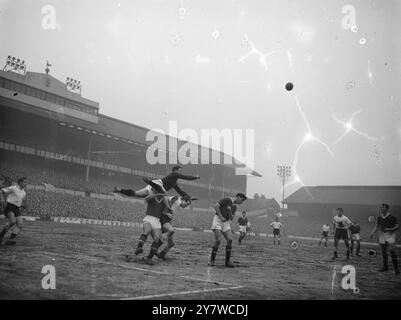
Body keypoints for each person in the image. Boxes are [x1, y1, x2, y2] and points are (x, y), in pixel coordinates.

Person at [125, 191, 167, 265]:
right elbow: (146, 198)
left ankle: (149, 258)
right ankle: (139, 247)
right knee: (147, 230)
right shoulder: (152, 198)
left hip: (157, 221)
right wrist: (157, 194)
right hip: (148, 218)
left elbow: (168, 208)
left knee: (157, 238)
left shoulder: (164, 200)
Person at [208, 193, 248, 267]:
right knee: (218, 240)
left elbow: (231, 218)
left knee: (230, 240)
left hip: (225, 222)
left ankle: (227, 262)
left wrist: (229, 211)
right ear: (238, 197)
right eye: (242, 200)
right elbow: (216, 206)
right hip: (217, 220)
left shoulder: (235, 207)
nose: (241, 203)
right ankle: (212, 261)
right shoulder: (227, 199)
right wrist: (221, 216)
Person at [114, 166, 200, 198]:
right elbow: (185, 177)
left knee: (136, 194)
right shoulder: (174, 174)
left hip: (153, 188)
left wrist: (188, 196)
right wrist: (195, 177)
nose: (181, 172)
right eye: (180, 171)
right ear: (175, 170)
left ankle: (120, 190)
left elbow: (180, 191)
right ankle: (149, 182)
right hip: (158, 185)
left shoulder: (174, 182)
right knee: (163, 192)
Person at [156, 195, 193, 259]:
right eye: (187, 204)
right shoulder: (177, 200)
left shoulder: (178, 203)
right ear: (183, 200)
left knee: (171, 243)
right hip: (164, 219)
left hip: (169, 221)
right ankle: (155, 247)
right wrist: (175, 198)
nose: (186, 206)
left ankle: (161, 255)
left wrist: (189, 201)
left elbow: (181, 204)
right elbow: (171, 199)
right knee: (171, 231)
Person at [370, 203, 399, 274]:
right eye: (381, 207)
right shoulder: (379, 217)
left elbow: (397, 226)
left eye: (383, 207)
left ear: (387, 209)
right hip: (382, 235)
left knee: (392, 251)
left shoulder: (392, 217)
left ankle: (396, 269)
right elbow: (377, 226)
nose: (381, 208)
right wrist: (372, 232)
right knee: (384, 252)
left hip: (390, 235)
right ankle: (385, 267)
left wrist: (389, 229)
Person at [0, 177, 28, 246]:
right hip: (9, 207)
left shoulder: (24, 193)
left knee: (20, 225)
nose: (26, 183)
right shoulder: (13, 188)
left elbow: (17, 201)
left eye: (26, 182)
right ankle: (1, 236)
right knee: (12, 221)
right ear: (20, 182)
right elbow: (1, 191)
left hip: (17, 208)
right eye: (25, 182)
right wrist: (2, 199)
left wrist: (22, 206)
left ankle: (10, 240)